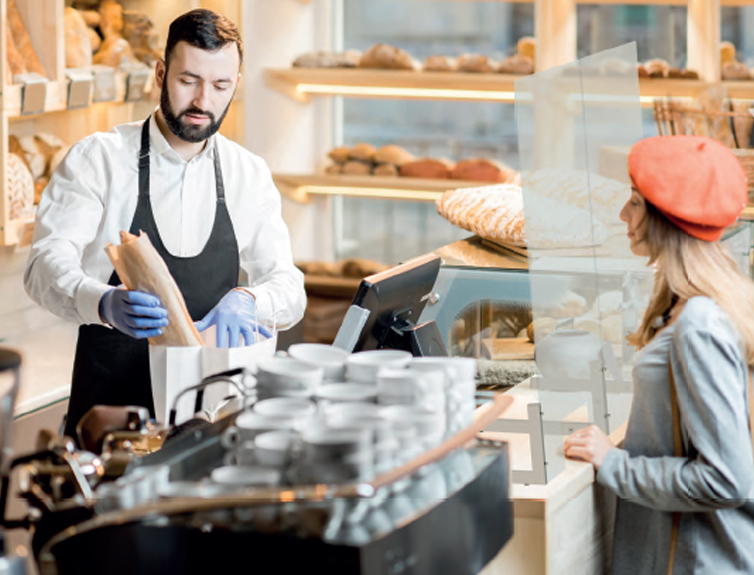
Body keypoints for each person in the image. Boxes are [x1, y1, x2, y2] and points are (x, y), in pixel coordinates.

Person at [24, 9, 306, 437]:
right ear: (160, 73)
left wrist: (250, 299)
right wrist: (99, 301)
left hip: (204, 420)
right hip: (107, 422)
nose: (202, 102)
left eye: (220, 85)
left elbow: (288, 285)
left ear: (236, 86)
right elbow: (44, 264)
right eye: (188, 80)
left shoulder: (247, 173)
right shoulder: (98, 159)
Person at [563, 135, 754, 574]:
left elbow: (725, 479)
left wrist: (613, 463)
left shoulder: (699, 326)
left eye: (634, 203)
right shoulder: (702, 298)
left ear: (665, 217)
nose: (622, 215)